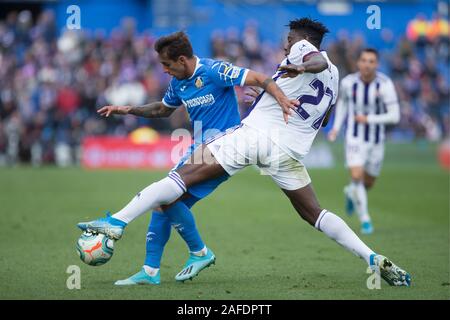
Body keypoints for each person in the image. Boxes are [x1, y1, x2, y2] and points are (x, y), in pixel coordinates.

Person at [79, 18, 411, 287]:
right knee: (315, 214)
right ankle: (371, 257)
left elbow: (316, 60)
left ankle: (116, 223)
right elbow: (321, 120)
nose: (286, 47)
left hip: (254, 138)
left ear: (301, 40)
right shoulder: (337, 78)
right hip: (288, 151)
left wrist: (299, 70)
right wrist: (272, 97)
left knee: (175, 181)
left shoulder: (303, 50)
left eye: (289, 42)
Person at [88, 31, 297, 285]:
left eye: (167, 64)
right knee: (165, 204)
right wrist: (128, 109)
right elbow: (163, 109)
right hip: (199, 149)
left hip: (225, 148)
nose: (164, 70)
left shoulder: (214, 70)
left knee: (166, 196)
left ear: (183, 59)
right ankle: (152, 271)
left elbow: (259, 78)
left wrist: (282, 99)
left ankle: (134, 230)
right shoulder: (178, 82)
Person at [328, 48, 400, 234]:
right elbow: (342, 104)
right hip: (354, 136)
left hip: (376, 139)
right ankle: (365, 220)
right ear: (358, 63)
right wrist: (336, 128)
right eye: (364, 60)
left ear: (377, 65)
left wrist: (369, 120)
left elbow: (395, 116)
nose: (367, 64)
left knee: (368, 183)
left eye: (371, 61)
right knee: (357, 175)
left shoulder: (384, 85)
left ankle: (351, 192)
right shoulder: (348, 83)